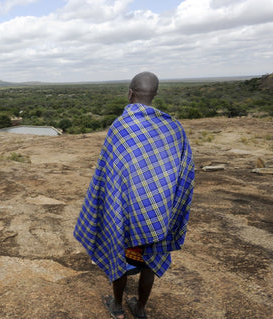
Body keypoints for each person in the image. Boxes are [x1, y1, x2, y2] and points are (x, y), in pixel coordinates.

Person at [74, 72, 195, 319]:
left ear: (130, 93)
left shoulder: (121, 127)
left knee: (118, 249)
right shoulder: (173, 128)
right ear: (155, 94)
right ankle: (139, 309)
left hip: (125, 211)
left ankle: (117, 307)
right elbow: (185, 172)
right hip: (157, 211)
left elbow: (107, 174)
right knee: (150, 259)